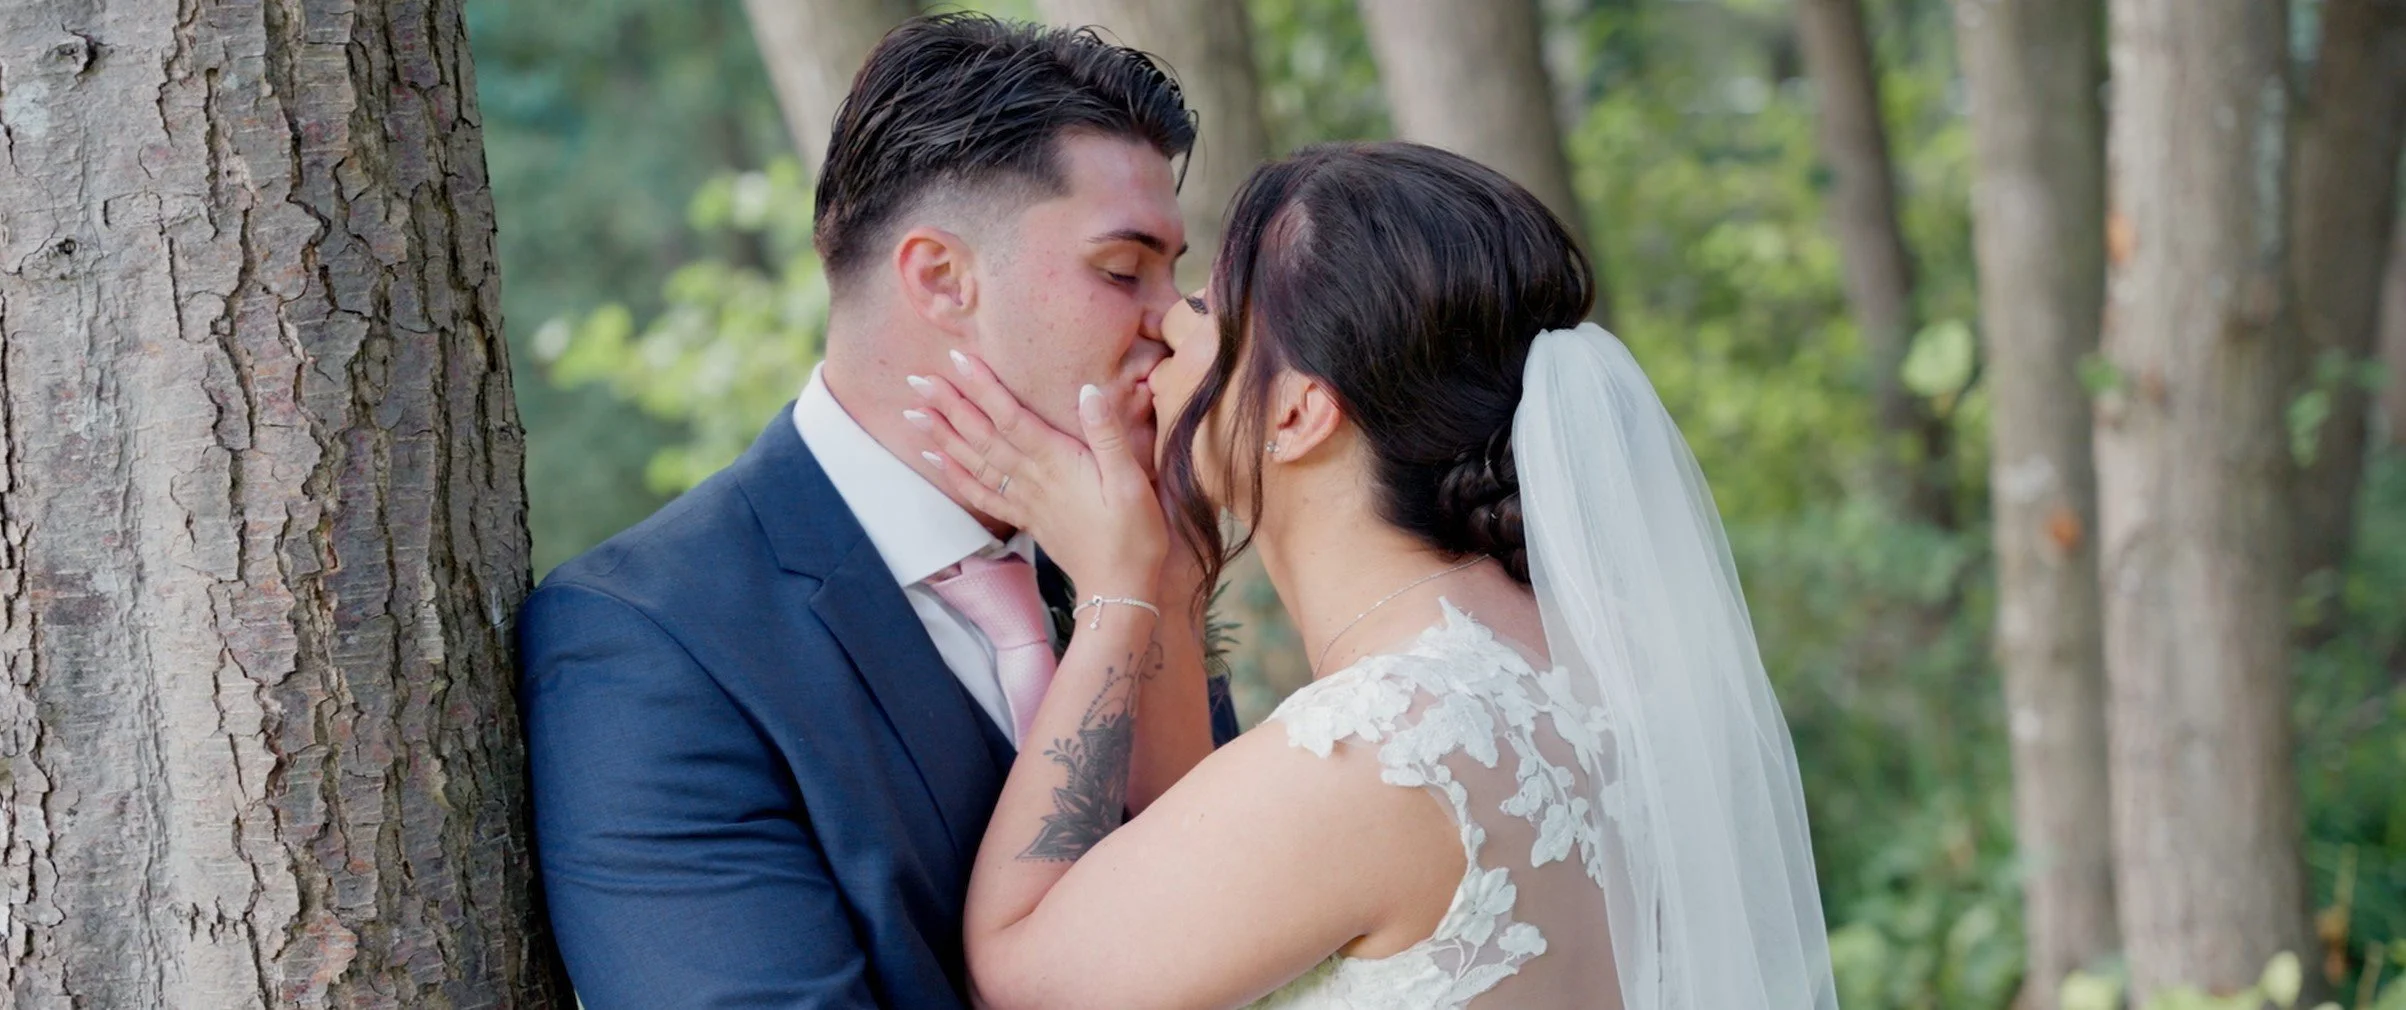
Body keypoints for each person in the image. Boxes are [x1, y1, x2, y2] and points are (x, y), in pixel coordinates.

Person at [904, 141, 1841, 1008]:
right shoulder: (1593, 665)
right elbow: (1205, 861)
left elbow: (1024, 973)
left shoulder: (1384, 745)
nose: (1164, 325)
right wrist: (1177, 589)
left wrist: (1117, 590)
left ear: (1299, 414)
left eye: (1205, 308)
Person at [517, 14, 1239, 1008]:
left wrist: (1147, 587)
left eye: (1173, 270)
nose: (1175, 317)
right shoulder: (650, 640)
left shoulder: (1133, 543)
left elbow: (1227, 914)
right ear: (940, 277)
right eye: (1124, 270)